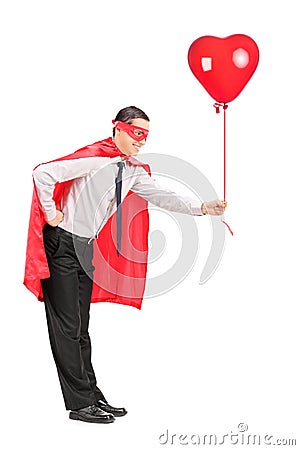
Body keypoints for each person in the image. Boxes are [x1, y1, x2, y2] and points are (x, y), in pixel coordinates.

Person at [24, 106, 227, 424]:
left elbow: (161, 196)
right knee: (66, 327)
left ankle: (91, 395)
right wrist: (51, 213)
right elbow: (43, 174)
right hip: (61, 243)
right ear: (117, 128)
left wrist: (202, 207)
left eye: (146, 135)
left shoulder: (132, 171)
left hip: (85, 249)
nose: (141, 140)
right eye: (137, 133)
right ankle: (79, 404)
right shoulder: (94, 158)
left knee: (80, 328)